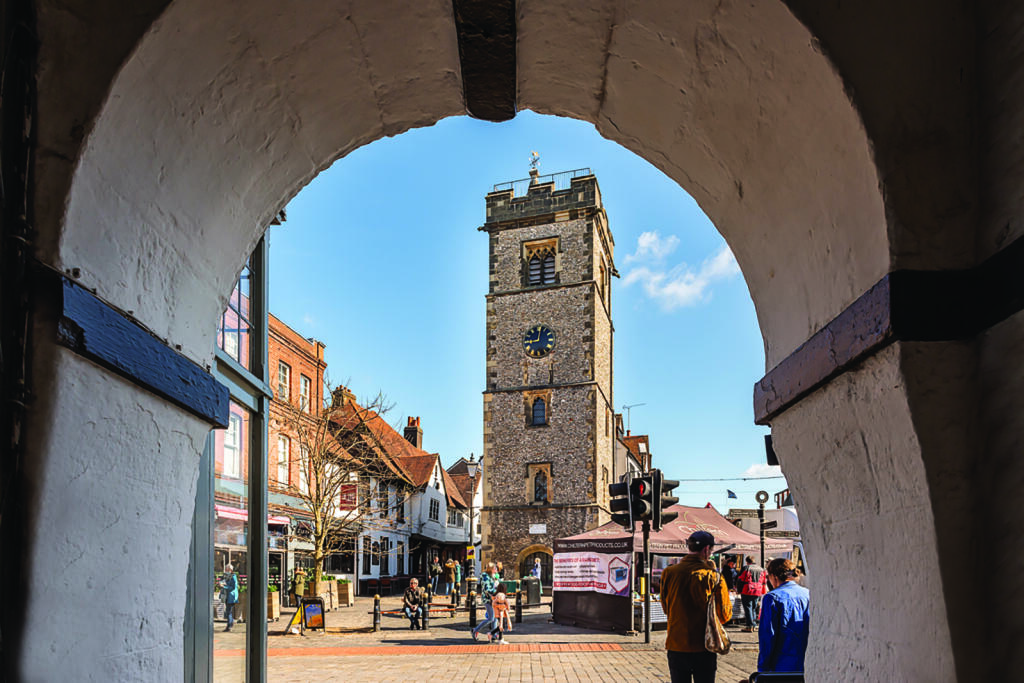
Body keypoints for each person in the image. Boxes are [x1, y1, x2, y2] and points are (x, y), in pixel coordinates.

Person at [660, 531, 731, 683]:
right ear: (706, 550)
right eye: (711, 551)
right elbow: (724, 615)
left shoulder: (669, 572)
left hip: (676, 642)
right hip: (704, 645)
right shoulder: (714, 576)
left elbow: (666, 608)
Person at [757, 559, 810, 673]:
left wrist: (762, 667)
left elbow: (767, 636)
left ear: (774, 576)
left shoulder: (772, 597)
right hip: (806, 660)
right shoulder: (807, 594)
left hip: (782, 662)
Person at [737, 556, 767, 633]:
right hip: (758, 590)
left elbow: (740, 579)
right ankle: (753, 624)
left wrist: (739, 590)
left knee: (748, 608)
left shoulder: (746, 568)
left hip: (747, 589)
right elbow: (764, 581)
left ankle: (749, 626)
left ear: (747, 561)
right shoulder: (761, 569)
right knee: (753, 607)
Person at [471, 563, 500, 641]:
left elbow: (496, 585)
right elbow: (487, 589)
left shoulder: (494, 576)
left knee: (495, 618)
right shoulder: (485, 577)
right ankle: (475, 630)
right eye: (495, 568)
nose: (496, 570)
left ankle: (494, 634)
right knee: (491, 618)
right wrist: (496, 591)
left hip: (494, 599)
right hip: (488, 599)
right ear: (491, 569)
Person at [219, 564, 240, 632]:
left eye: (227, 569)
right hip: (226, 596)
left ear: (230, 570)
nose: (225, 570)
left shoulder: (233, 576)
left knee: (228, 611)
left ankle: (229, 626)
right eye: (225, 569)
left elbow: (233, 587)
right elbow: (223, 582)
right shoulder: (225, 576)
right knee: (228, 611)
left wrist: (224, 586)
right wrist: (221, 584)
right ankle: (230, 624)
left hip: (231, 596)